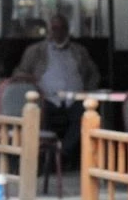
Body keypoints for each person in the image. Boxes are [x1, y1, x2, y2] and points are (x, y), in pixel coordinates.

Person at [12, 13, 100, 166]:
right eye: (54, 28)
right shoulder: (36, 51)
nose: (57, 32)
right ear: (49, 30)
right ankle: (44, 160)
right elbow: (18, 73)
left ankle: (62, 154)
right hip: (47, 99)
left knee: (86, 118)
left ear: (67, 30)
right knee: (40, 115)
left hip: (75, 100)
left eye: (61, 28)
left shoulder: (79, 51)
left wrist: (88, 91)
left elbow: (94, 74)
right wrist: (31, 80)